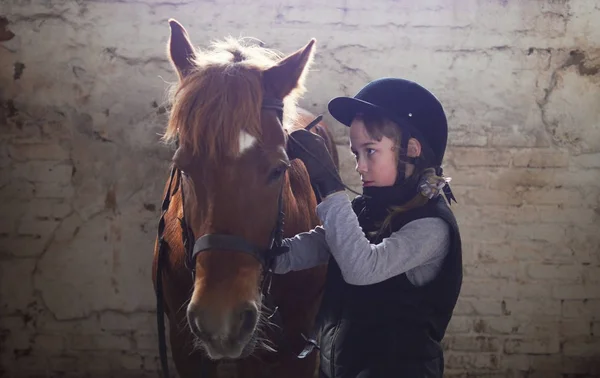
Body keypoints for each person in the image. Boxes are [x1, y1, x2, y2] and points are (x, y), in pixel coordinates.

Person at [274, 77, 463, 378]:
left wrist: (329, 184)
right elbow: (327, 241)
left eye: (370, 151)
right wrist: (267, 253)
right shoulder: (369, 207)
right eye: (355, 154)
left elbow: (362, 267)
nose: (360, 166)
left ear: (411, 150)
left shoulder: (431, 227)